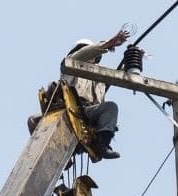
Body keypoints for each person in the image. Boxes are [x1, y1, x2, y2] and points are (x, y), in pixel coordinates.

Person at [28, 30, 129, 160]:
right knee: (33, 120)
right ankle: (50, 153)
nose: (87, 53)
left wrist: (133, 59)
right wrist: (108, 44)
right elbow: (83, 54)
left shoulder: (100, 77)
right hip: (71, 109)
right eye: (83, 50)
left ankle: (102, 145)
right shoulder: (71, 64)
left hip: (88, 113)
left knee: (110, 107)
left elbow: (119, 75)